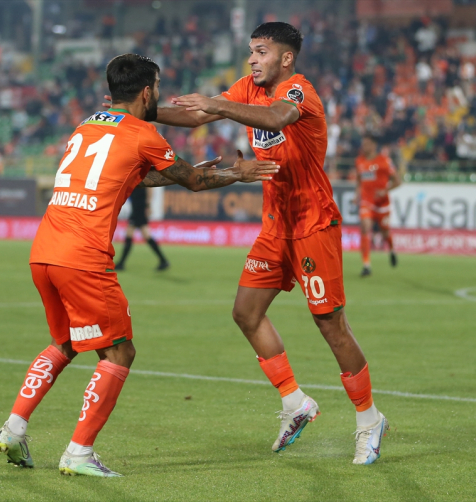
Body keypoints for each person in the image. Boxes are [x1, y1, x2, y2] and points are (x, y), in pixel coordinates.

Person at [0, 54, 279, 478]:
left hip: (45, 250)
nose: (158, 94)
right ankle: (78, 452)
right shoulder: (144, 133)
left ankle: (14, 428)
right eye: (158, 88)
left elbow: (132, 174)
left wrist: (178, 173)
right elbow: (194, 181)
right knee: (120, 351)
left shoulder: (87, 124)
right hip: (83, 256)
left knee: (64, 343)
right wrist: (239, 173)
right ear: (147, 92)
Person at [149, 22, 389, 465]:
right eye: (251, 51)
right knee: (246, 312)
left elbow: (277, 117)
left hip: (313, 224)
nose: (252, 59)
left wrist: (219, 104)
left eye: (260, 51)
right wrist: (144, 111)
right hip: (276, 224)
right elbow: (197, 116)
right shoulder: (247, 88)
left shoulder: (300, 91)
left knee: (330, 325)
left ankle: (369, 419)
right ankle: (296, 403)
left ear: (286, 57)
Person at [355, 135, 401, 277]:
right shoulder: (359, 161)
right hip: (367, 202)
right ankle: (366, 265)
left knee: (385, 232)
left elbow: (397, 181)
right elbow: (359, 181)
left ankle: (392, 250)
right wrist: (356, 196)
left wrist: (385, 190)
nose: (364, 147)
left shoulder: (384, 161)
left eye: (367, 144)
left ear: (374, 145)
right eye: (363, 144)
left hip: (382, 204)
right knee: (365, 227)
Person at [115, 185, 169, 271]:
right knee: (145, 235)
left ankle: (121, 263)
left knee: (131, 235)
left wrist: (148, 206)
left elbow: (150, 188)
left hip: (140, 208)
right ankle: (163, 260)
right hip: (137, 208)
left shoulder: (142, 179)